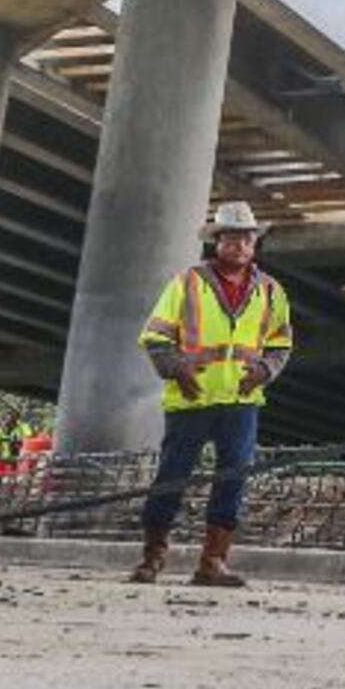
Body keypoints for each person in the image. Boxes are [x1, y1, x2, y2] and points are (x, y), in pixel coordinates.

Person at [131, 201, 292, 589]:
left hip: (241, 400)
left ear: (255, 244)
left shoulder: (270, 291)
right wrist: (177, 369)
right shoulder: (187, 283)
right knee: (172, 474)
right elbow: (155, 337)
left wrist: (264, 372)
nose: (240, 244)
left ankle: (213, 561)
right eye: (232, 237)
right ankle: (152, 555)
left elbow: (280, 344)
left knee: (233, 477)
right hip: (192, 397)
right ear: (217, 242)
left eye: (247, 238)